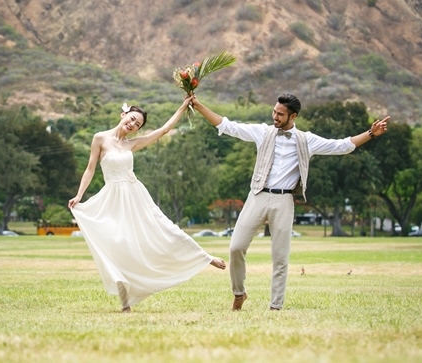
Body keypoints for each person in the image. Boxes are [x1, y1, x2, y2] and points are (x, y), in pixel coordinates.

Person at [191, 93, 389, 311]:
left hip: (284, 200)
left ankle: (276, 306)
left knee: (280, 258)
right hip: (257, 195)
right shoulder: (263, 132)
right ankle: (239, 293)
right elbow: (228, 126)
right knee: (236, 247)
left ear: (293, 116)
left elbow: (342, 145)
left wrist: (371, 133)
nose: (275, 116)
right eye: (274, 111)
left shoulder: (306, 140)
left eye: (280, 114)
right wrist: (199, 106)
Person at [69, 97, 226, 312]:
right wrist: (79, 195)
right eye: (132, 119)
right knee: (119, 248)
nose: (133, 125)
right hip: (112, 199)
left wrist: (182, 107)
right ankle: (125, 305)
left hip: (135, 196)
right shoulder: (100, 139)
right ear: (123, 115)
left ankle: (204, 258)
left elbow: (163, 130)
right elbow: (90, 169)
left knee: (164, 227)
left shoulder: (132, 144)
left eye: (138, 125)